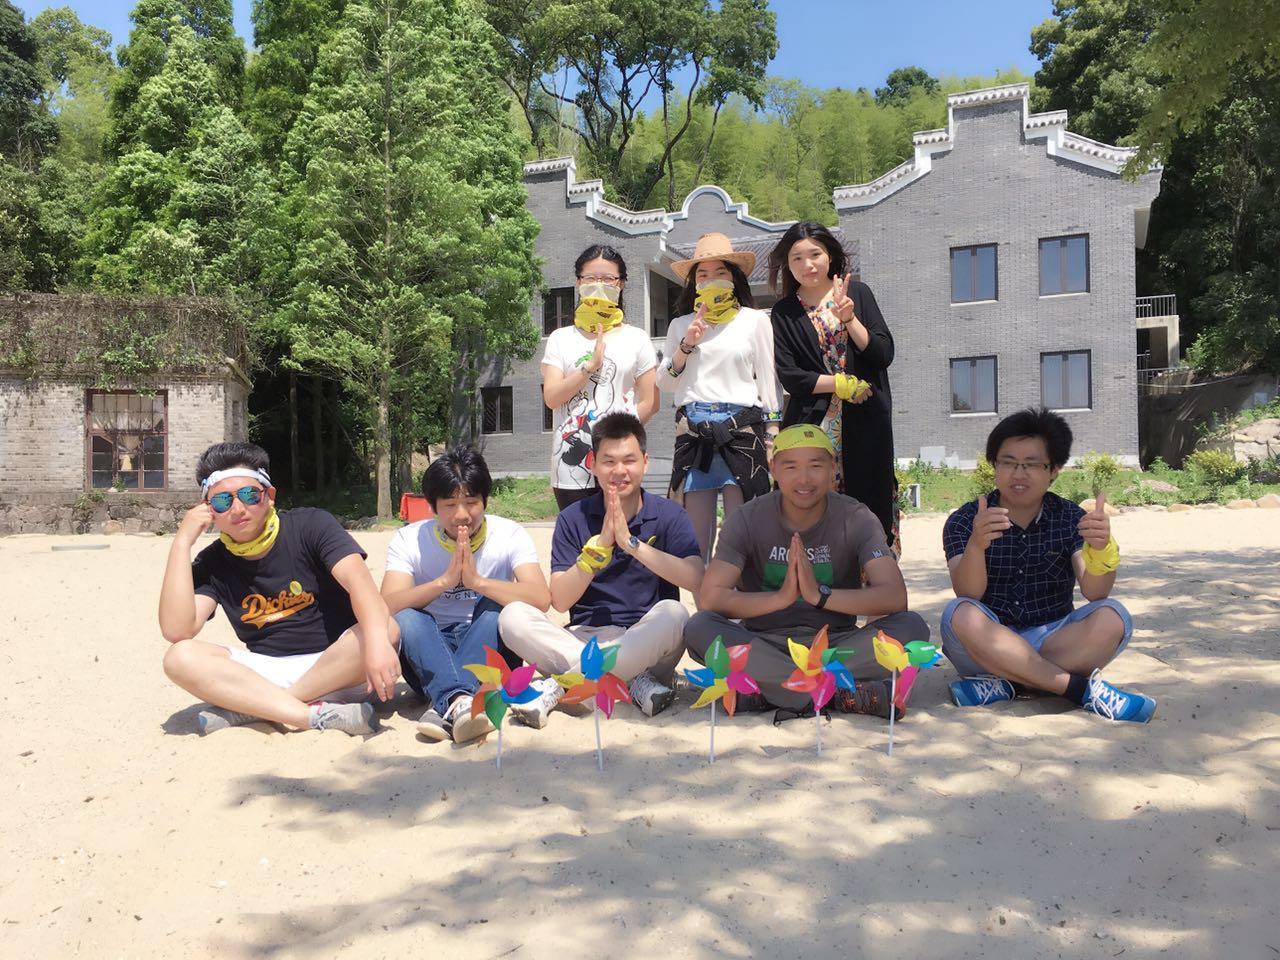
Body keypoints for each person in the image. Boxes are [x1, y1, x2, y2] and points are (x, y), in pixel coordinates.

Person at [686, 424, 931, 718]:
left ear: (833, 468)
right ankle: (834, 693)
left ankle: (772, 692)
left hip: (835, 646)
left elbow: (894, 597)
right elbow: (711, 598)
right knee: (699, 628)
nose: (803, 479)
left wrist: (819, 595)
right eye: (791, 466)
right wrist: (781, 598)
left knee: (911, 627)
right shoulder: (747, 518)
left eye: (815, 466)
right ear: (773, 469)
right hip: (764, 644)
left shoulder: (856, 517)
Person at [159, 442, 397, 736]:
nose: (238, 508)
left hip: (338, 666)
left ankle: (255, 708)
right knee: (179, 657)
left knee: (386, 628)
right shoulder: (212, 562)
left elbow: (361, 585)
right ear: (208, 510)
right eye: (222, 501)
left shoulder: (311, 525)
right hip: (266, 672)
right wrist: (181, 543)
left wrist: (378, 642)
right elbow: (177, 630)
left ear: (269, 496)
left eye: (249, 495)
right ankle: (308, 715)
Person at [940, 408, 1156, 722]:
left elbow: (1095, 592)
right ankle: (1077, 690)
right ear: (994, 466)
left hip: (1053, 640)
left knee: (1114, 617)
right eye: (1008, 462)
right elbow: (968, 592)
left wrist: (1101, 549)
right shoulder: (965, 520)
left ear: (1053, 470)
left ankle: (1010, 683)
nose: (1018, 474)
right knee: (959, 613)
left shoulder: (1071, 518)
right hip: (988, 642)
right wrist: (976, 544)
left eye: (1031, 464)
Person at [499, 412, 703, 726]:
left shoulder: (669, 514)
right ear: (592, 464)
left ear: (645, 463)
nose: (619, 471)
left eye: (629, 460)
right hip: (583, 639)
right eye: (609, 461)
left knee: (675, 613)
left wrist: (631, 543)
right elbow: (561, 601)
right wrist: (598, 550)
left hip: (646, 642)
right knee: (512, 616)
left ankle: (563, 684)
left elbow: (695, 577)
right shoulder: (573, 518)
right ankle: (630, 682)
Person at [381, 447, 551, 743]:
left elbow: (541, 598)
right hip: (429, 652)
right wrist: (444, 582)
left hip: (490, 648)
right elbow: (387, 604)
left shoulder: (509, 534)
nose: (462, 515)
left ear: (485, 501)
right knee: (407, 617)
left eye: (471, 502)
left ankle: (447, 701)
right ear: (432, 507)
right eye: (449, 505)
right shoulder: (409, 539)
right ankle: (461, 699)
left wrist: (478, 582)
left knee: (496, 605)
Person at [769, 221, 901, 553]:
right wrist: (838, 384)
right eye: (797, 258)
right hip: (812, 425)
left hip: (865, 418)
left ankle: (872, 573)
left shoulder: (858, 294)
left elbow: (883, 354)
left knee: (869, 501)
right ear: (788, 265)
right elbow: (790, 375)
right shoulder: (784, 312)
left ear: (830, 255)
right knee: (810, 506)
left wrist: (849, 320)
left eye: (815, 254)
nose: (807, 264)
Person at [658, 232, 781, 563]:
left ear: (734, 278)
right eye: (703, 273)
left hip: (741, 428)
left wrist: (772, 434)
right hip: (694, 431)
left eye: (720, 272)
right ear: (694, 283)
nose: (711, 279)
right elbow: (665, 383)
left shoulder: (755, 321)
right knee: (694, 542)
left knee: (744, 536)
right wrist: (687, 344)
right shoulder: (680, 325)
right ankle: (703, 598)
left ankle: (740, 597)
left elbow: (768, 379)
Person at [542, 245, 659, 511]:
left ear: (621, 284)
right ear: (578, 282)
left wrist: (618, 438)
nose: (599, 285)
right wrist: (589, 368)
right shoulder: (561, 338)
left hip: (620, 462)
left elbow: (651, 402)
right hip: (572, 463)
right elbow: (552, 398)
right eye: (591, 279)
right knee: (579, 533)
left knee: (623, 530)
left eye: (608, 279)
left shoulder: (637, 338)